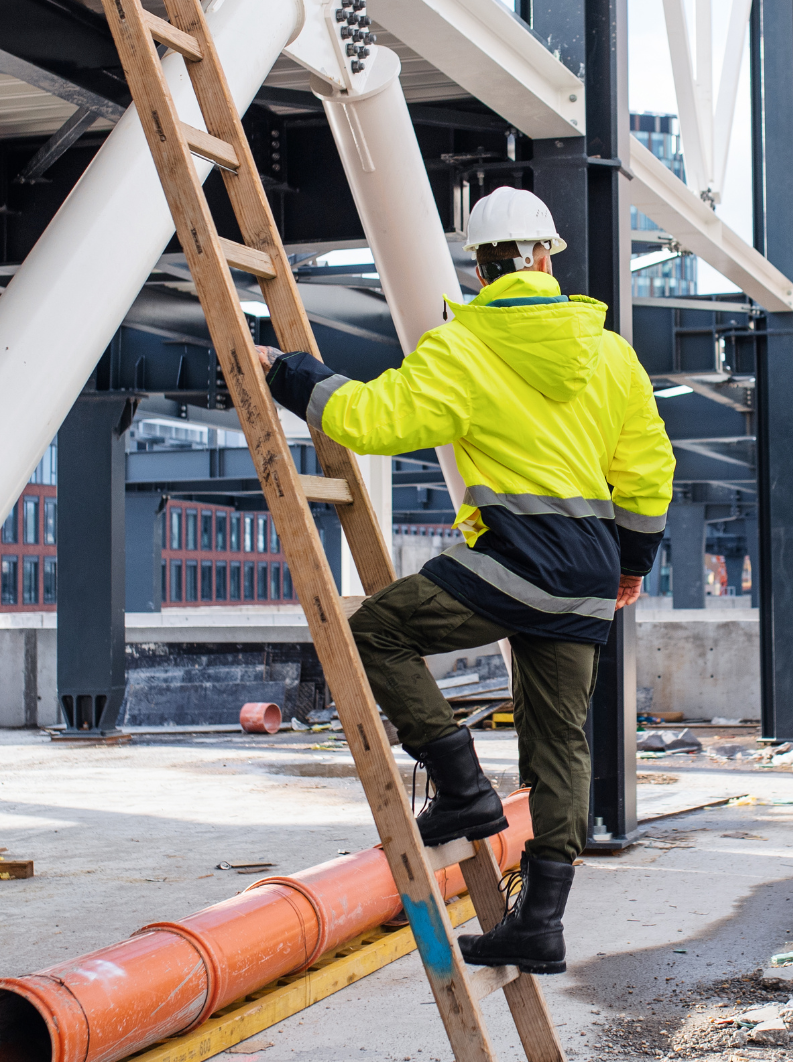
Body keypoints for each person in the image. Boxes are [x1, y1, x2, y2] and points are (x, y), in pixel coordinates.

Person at [257, 186, 674, 975]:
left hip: (515, 561)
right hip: (587, 575)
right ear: (546, 258)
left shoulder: (465, 348)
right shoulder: (610, 353)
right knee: (561, 746)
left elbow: (373, 420)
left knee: (375, 629)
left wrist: (293, 377)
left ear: (479, 268)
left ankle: (462, 787)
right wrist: (632, 563)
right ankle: (541, 923)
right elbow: (649, 469)